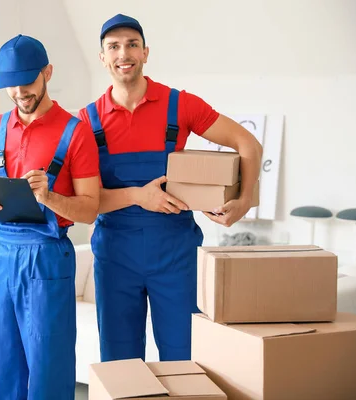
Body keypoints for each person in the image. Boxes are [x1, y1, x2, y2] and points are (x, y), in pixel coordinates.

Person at [77, 14, 263, 363]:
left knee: (184, 357)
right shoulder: (87, 121)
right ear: (102, 58)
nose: (123, 53)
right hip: (116, 256)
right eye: (113, 47)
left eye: (132, 44)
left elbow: (248, 144)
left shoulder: (180, 106)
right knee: (120, 361)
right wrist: (136, 195)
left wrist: (245, 200)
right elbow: (83, 202)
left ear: (146, 52)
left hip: (175, 253)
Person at [0, 34, 100, 400]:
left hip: (46, 259)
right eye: (10, 84)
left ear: (48, 73)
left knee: (48, 365)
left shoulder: (76, 133)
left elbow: (90, 209)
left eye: (27, 81)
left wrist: (49, 195)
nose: (19, 91)